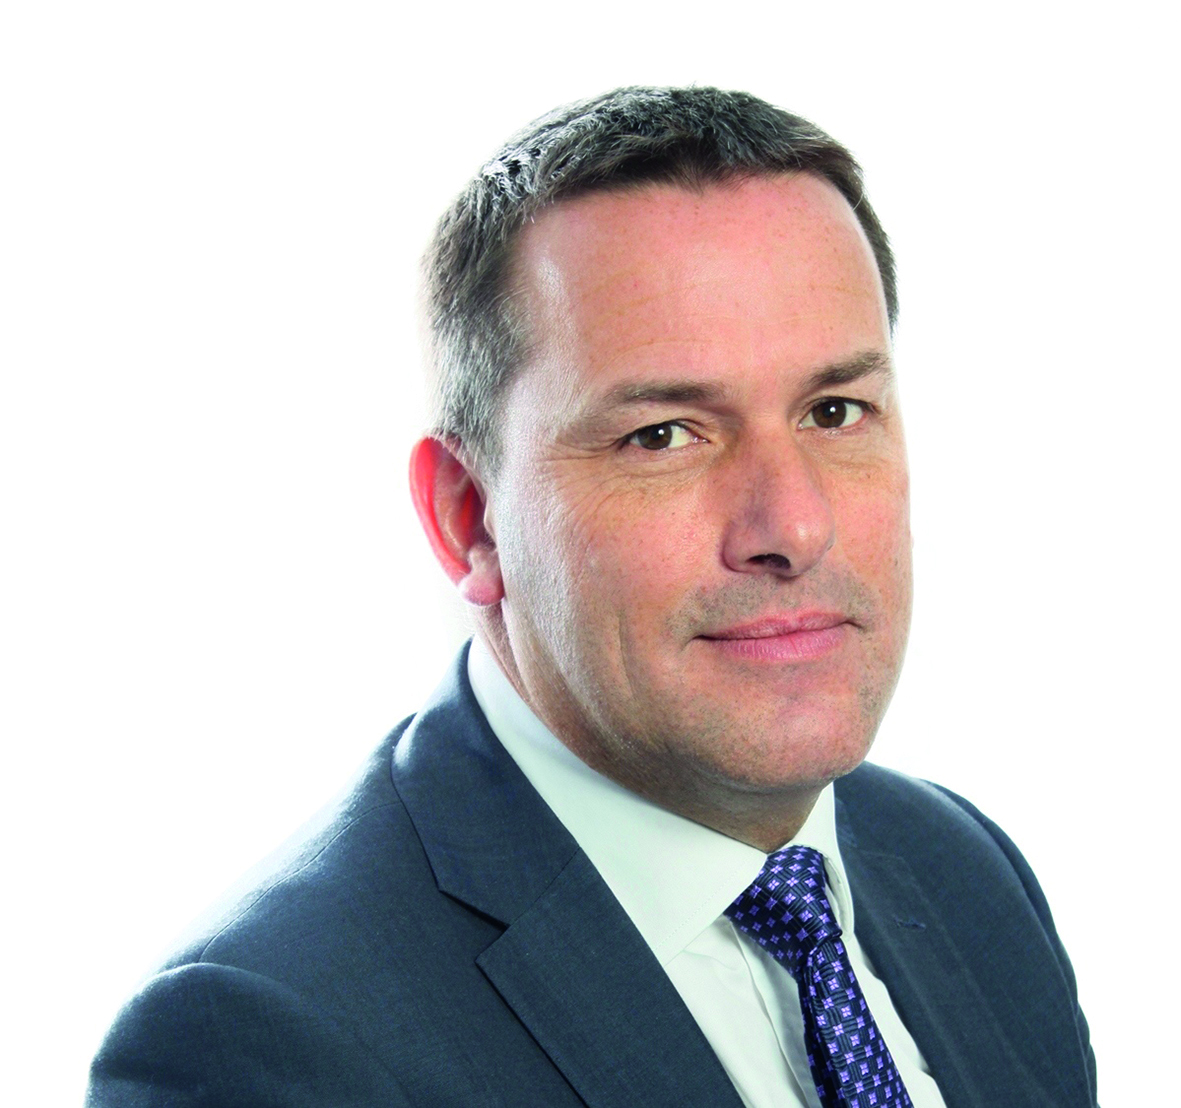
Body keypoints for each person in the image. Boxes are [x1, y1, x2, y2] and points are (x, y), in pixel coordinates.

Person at [87, 87, 1098, 1108]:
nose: (792, 527)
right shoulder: (262, 1040)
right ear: (469, 518)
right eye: (661, 435)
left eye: (833, 412)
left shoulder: (959, 870)